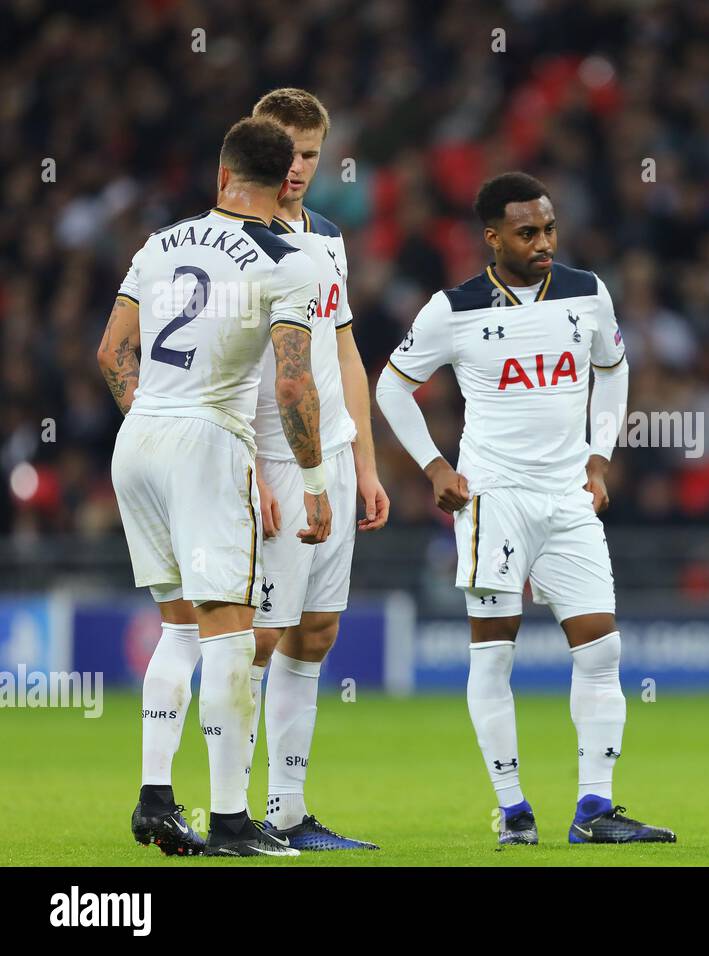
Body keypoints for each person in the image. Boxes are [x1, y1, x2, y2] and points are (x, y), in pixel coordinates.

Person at [375, 172, 675, 846]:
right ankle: (514, 812)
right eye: (527, 232)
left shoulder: (587, 292)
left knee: (601, 650)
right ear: (492, 238)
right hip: (494, 501)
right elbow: (392, 387)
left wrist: (600, 453)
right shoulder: (452, 310)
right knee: (494, 659)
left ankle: (595, 810)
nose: (544, 242)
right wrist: (433, 466)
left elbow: (614, 368)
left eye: (549, 228)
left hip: (569, 497)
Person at [101, 117, 332, 857]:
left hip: (137, 438)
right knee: (231, 634)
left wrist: (152, 422)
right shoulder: (292, 259)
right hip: (207, 440)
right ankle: (233, 822)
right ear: (284, 178)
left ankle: (155, 801)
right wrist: (316, 481)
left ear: (222, 174)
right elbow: (294, 380)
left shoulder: (158, 243)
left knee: (176, 629)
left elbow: (113, 350)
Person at [246, 87, 387, 851]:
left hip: (330, 458)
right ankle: (229, 811)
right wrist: (246, 467)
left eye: (309, 154)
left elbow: (345, 355)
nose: (296, 168)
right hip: (270, 458)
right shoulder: (238, 241)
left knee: (315, 631)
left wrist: (364, 465)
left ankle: (288, 810)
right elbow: (229, 371)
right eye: (286, 152)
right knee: (259, 639)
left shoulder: (328, 236)